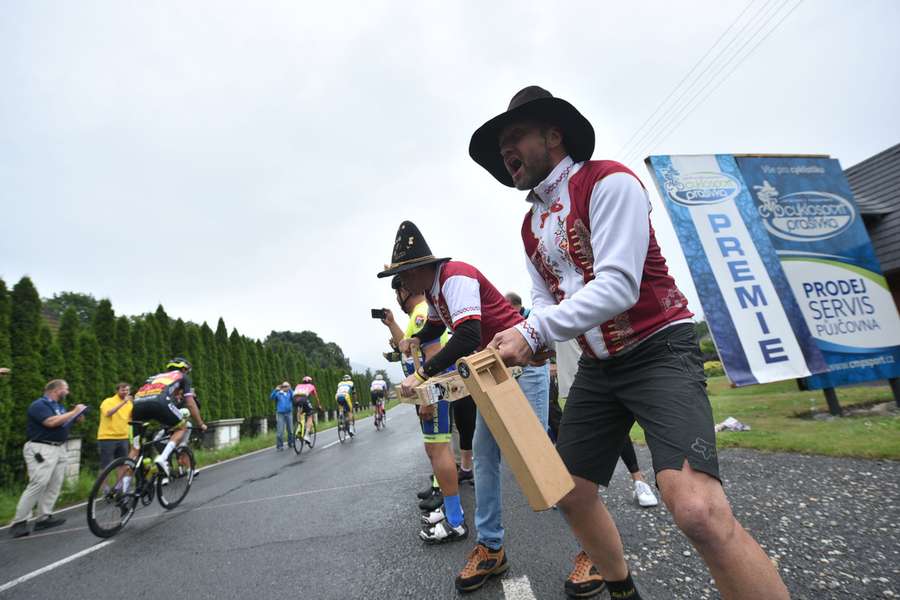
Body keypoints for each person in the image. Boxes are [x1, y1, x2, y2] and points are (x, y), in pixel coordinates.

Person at [470, 85, 789, 599]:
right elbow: (545, 298)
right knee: (569, 493)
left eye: (514, 137)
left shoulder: (610, 182)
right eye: (500, 144)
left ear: (554, 135)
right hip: (599, 366)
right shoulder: (530, 225)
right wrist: (532, 335)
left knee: (697, 511)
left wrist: (532, 332)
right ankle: (623, 591)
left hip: (659, 347)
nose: (505, 150)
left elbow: (619, 286)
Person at [379, 221, 550, 579]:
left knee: (540, 464)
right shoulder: (436, 292)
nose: (403, 286)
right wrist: (414, 340)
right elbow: (438, 328)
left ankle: (592, 550)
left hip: (522, 366)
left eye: (404, 276)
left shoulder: (454, 278)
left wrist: (424, 373)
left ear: (421, 268)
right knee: (485, 459)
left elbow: (468, 333)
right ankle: (491, 548)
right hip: (494, 371)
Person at [379, 276, 472, 514]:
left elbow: (432, 352)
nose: (397, 299)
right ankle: (444, 496)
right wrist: (391, 324)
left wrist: (427, 397)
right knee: (434, 445)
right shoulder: (417, 315)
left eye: (397, 293)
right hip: (427, 386)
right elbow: (408, 348)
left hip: (431, 387)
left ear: (404, 290)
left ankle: (451, 511)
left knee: (438, 446)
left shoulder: (421, 312)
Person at [555, 339, 658, 509]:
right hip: (572, 370)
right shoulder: (540, 314)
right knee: (580, 432)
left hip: (596, 361)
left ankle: (639, 480)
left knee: (615, 426)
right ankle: (583, 487)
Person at [9, 379, 85, 538]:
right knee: (39, 482)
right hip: (41, 448)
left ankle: (44, 517)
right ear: (56, 390)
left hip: (59, 448)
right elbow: (50, 422)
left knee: (54, 484)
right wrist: (73, 412)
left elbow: (62, 423)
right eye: (66, 389)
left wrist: (76, 417)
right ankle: (19, 521)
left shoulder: (59, 406)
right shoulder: (39, 405)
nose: (68, 392)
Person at [130, 358, 206, 482]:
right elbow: (191, 403)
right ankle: (162, 458)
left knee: (136, 448)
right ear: (184, 369)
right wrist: (200, 423)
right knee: (183, 426)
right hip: (159, 403)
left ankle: (124, 488)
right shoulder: (182, 377)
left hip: (137, 405)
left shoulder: (154, 377)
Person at [97, 383, 133, 471]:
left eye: (127, 390)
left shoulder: (129, 404)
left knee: (122, 464)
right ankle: (104, 485)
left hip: (123, 437)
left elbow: (131, 419)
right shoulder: (108, 401)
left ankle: (119, 485)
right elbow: (109, 413)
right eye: (123, 390)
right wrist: (123, 402)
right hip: (108, 437)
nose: (125, 392)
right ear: (117, 391)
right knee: (105, 465)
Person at [293, 376, 321, 447]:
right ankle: (306, 435)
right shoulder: (311, 386)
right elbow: (316, 397)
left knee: (300, 411)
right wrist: (319, 405)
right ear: (310, 381)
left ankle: (299, 429)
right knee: (310, 415)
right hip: (303, 398)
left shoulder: (298, 385)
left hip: (295, 399)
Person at [270, 381, 294, 451]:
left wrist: (291, 389)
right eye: (284, 386)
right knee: (280, 431)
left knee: (291, 430)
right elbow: (271, 397)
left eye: (287, 386)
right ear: (282, 387)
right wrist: (275, 390)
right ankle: (280, 446)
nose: (285, 388)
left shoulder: (290, 393)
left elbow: (294, 396)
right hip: (280, 414)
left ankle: (291, 443)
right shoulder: (278, 393)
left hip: (289, 413)